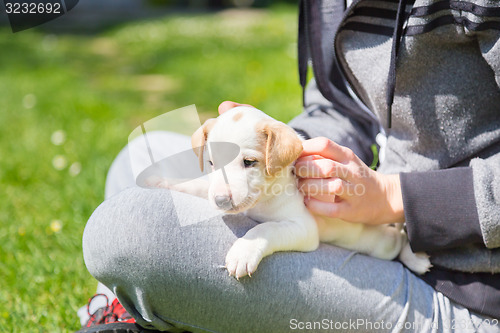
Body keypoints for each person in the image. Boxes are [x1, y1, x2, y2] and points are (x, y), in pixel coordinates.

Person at [78, 0, 500, 332]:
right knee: (143, 154)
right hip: (345, 227)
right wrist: (282, 147)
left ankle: (141, 308)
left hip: (465, 292)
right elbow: (339, 107)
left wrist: (394, 197)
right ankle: (137, 307)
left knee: (124, 231)